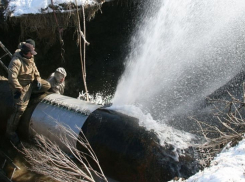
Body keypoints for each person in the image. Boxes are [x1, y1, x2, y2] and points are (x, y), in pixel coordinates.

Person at [6, 43, 51, 145]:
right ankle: (10, 132)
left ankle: (32, 94)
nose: (33, 55)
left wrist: (38, 79)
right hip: (22, 86)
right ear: (26, 53)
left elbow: (34, 69)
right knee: (20, 109)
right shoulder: (16, 62)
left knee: (47, 85)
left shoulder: (30, 58)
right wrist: (18, 88)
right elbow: (12, 78)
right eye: (31, 53)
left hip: (31, 82)